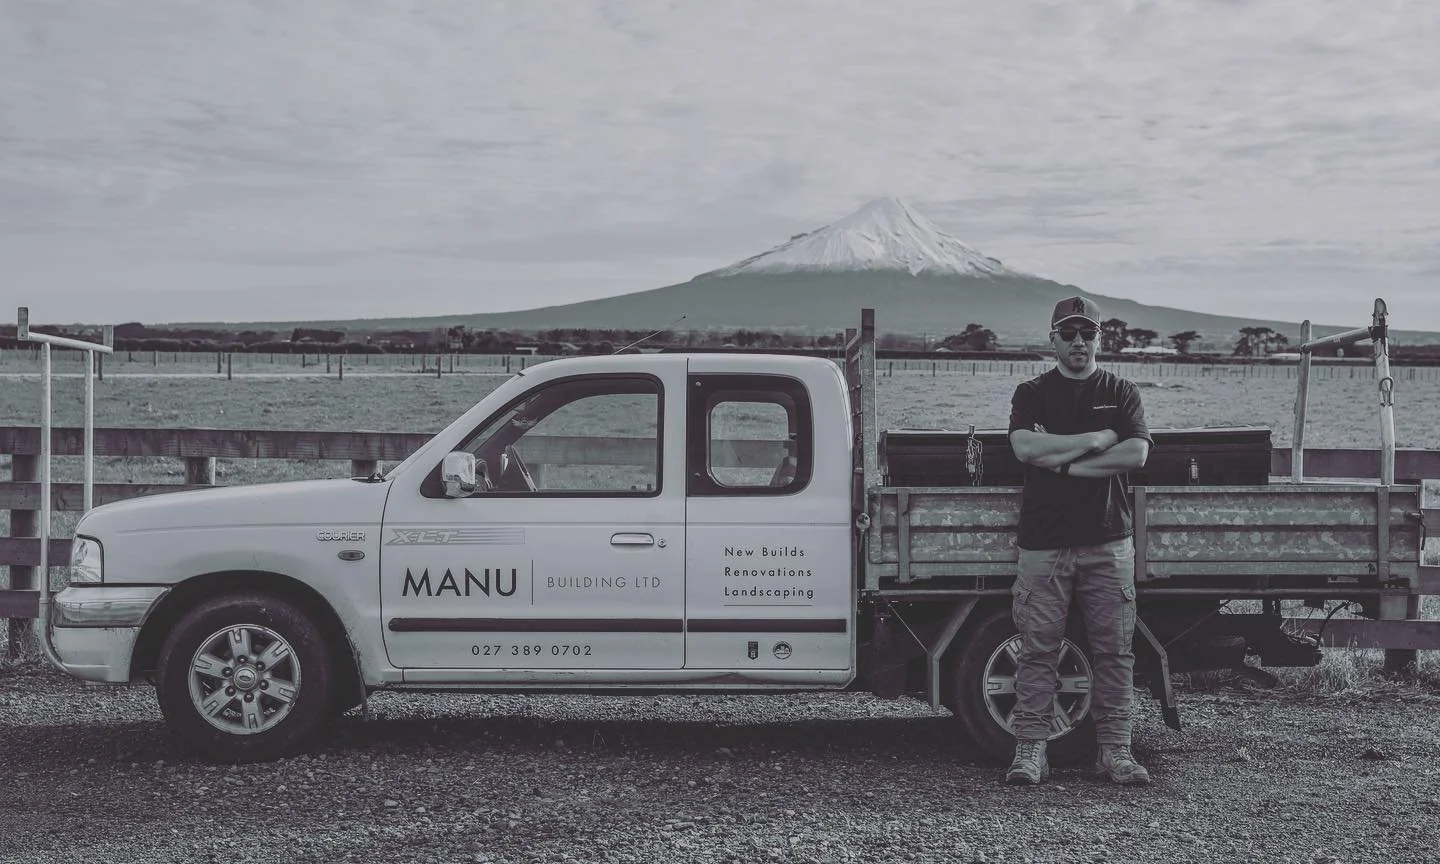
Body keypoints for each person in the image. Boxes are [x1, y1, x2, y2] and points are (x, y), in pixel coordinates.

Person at [1003, 295, 1154, 786]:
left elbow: (1135, 453)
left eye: (1086, 333)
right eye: (1068, 333)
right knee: (1037, 649)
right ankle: (1030, 753)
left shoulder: (1121, 389)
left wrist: (1061, 462)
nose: (1078, 341)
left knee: (1115, 650)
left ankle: (1115, 753)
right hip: (1044, 543)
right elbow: (1025, 446)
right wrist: (1092, 442)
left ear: (1099, 338)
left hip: (1108, 540)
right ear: (1053, 340)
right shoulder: (1031, 392)